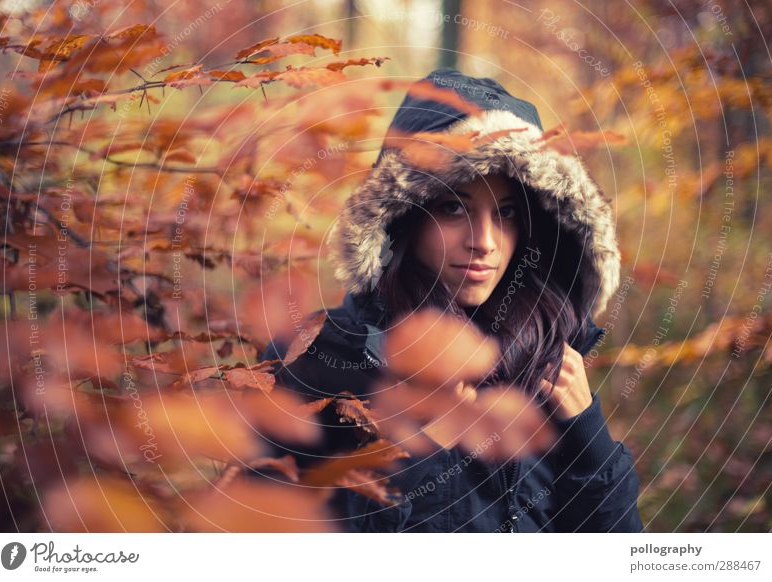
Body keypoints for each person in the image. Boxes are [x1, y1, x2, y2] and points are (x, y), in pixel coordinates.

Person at [257, 67, 644, 533]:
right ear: (404, 217)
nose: (483, 241)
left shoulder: (545, 361)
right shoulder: (317, 362)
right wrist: (421, 449)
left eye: (505, 214)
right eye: (452, 208)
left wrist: (586, 433)